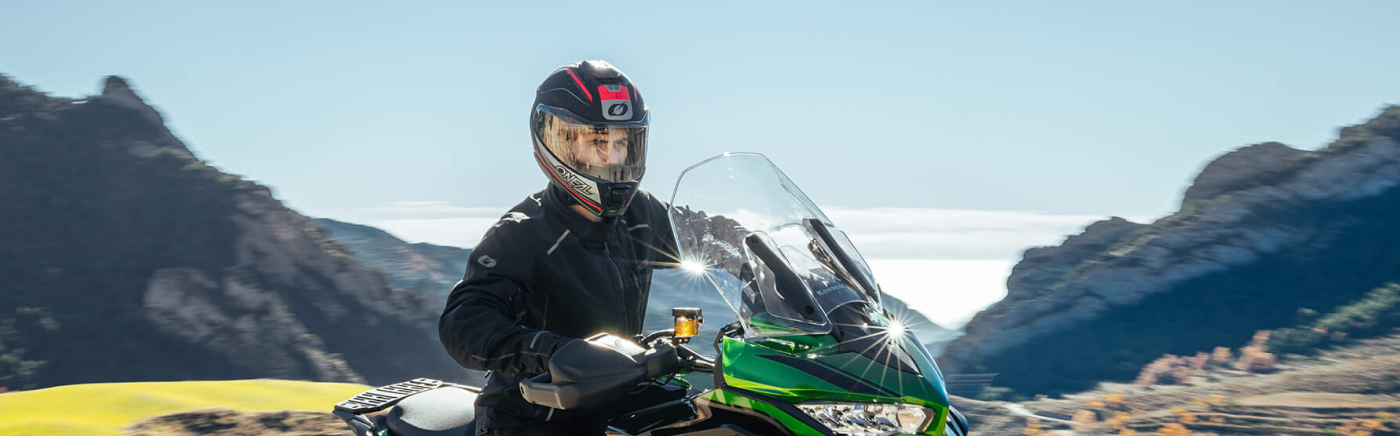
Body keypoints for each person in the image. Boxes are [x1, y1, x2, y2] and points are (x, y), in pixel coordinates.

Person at [438, 60, 680, 436]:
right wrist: (552, 352)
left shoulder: (642, 213)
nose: (613, 159)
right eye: (598, 142)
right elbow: (463, 324)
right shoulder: (523, 233)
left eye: (622, 143)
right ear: (558, 144)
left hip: (620, 400)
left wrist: (765, 256)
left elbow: (704, 234)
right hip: (533, 417)